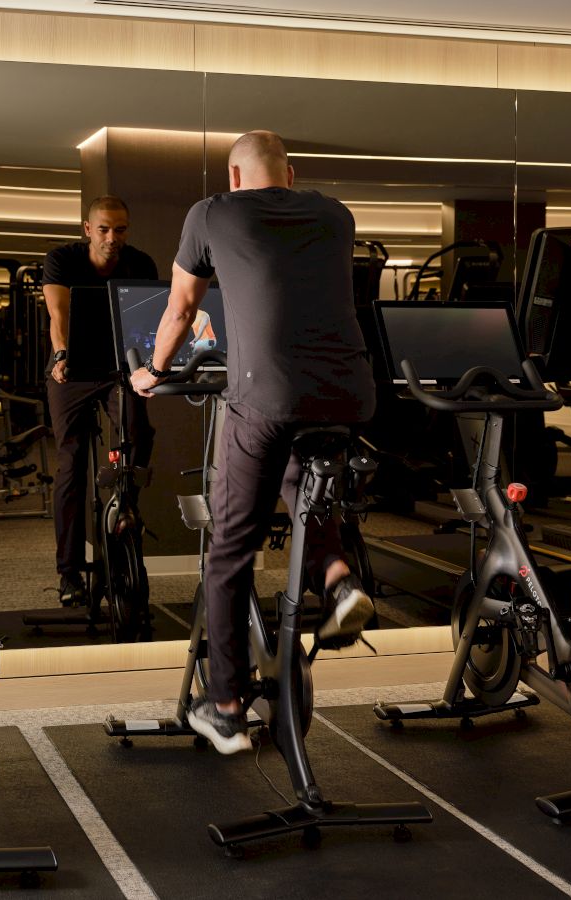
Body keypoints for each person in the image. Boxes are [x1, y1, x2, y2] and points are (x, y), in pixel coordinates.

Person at [131, 131, 377, 754]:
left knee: (230, 549)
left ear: (233, 178)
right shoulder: (335, 213)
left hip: (264, 392)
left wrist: (153, 372)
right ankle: (340, 578)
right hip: (347, 392)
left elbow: (182, 309)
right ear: (291, 174)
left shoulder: (211, 212)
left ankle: (226, 707)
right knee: (303, 484)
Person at [44, 196, 157, 606]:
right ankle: (69, 573)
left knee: (137, 431)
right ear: (88, 229)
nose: (113, 237)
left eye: (121, 229)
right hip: (72, 368)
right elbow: (59, 313)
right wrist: (60, 354)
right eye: (105, 229)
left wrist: (151, 366)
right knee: (70, 464)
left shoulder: (140, 264)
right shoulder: (62, 259)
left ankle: (125, 503)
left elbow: (147, 320)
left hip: (118, 368)